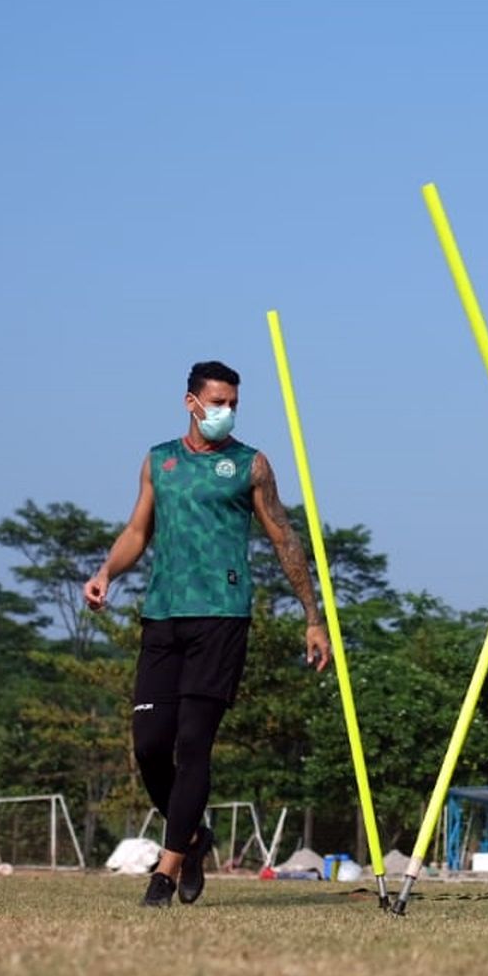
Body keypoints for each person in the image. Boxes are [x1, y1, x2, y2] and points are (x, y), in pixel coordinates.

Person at [84, 360, 331, 908]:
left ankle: (164, 874)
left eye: (234, 404)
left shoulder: (250, 465)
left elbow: (283, 538)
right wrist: (106, 572)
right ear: (190, 402)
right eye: (217, 402)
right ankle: (192, 837)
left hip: (222, 617)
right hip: (162, 615)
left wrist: (312, 616)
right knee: (150, 746)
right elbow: (136, 530)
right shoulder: (159, 462)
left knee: (194, 742)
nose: (226, 413)